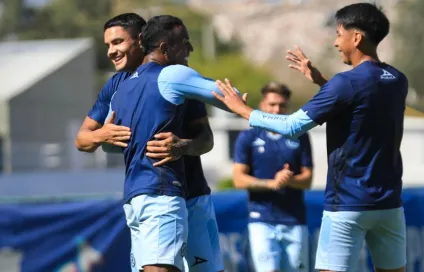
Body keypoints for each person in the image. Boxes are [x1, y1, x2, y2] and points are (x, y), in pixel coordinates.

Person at [213, 3, 407, 272]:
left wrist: (244, 110)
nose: (336, 42)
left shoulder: (345, 83)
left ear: (356, 37)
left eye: (339, 34)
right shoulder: (397, 80)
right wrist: (322, 83)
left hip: (347, 205)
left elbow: (293, 126)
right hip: (389, 204)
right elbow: (360, 103)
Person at [75, 14, 223, 272]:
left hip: (193, 197)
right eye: (108, 45)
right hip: (152, 195)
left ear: (141, 40)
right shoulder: (116, 85)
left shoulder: (178, 77)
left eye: (118, 42)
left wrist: (184, 146)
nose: (111, 51)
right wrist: (103, 135)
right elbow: (83, 139)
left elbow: (206, 139)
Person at [108, 15, 247, 272]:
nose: (190, 50)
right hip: (161, 192)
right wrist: (242, 104)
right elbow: (229, 98)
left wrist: (182, 145)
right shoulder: (174, 75)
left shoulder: (123, 90)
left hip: (160, 194)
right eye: (185, 43)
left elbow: (206, 139)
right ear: (164, 48)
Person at [233, 82, 313, 272]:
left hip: (294, 220)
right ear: (262, 105)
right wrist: (272, 183)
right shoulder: (248, 137)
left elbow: (308, 179)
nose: (277, 110)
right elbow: (239, 179)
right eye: (272, 104)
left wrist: (288, 180)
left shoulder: (300, 136)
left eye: (282, 105)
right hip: (261, 219)